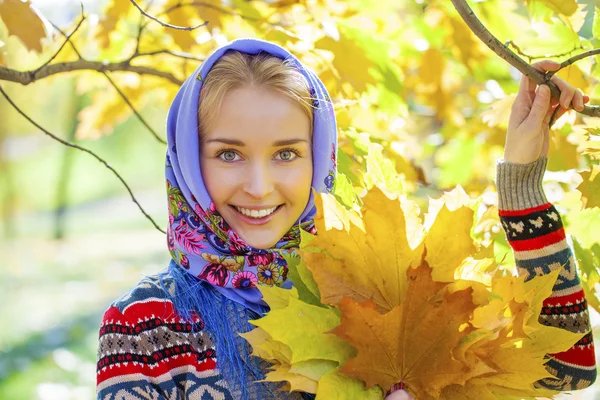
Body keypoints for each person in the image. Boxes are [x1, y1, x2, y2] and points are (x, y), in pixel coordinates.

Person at [96, 39, 596, 399]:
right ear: (187, 159)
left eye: (287, 154)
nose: (259, 185)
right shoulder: (144, 325)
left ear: (320, 157)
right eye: (228, 154)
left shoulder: (376, 286)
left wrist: (522, 184)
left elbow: (564, 366)